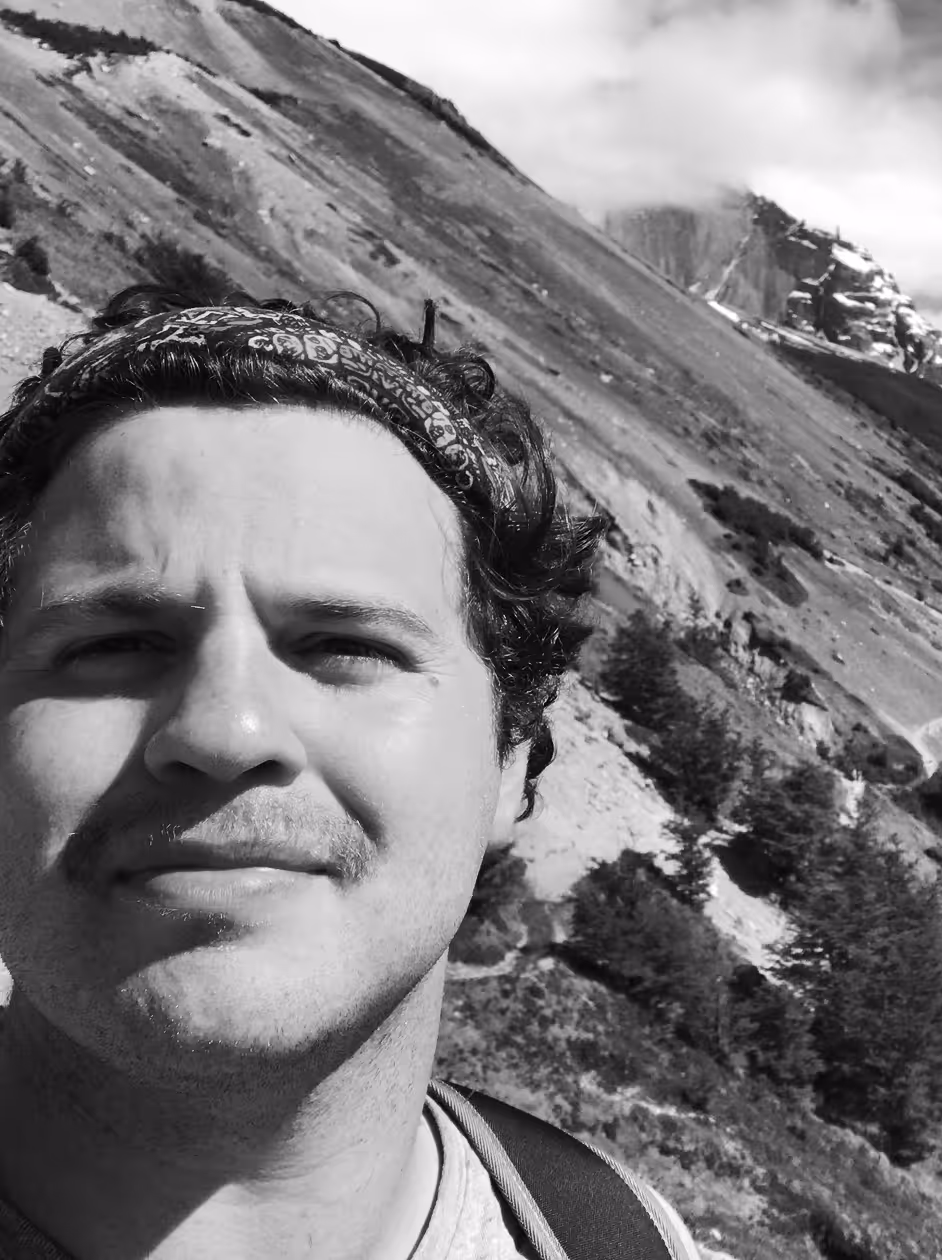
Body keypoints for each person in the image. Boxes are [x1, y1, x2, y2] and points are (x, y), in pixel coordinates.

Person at [0, 289, 700, 1259]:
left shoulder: (623, 1240)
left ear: (511, 758)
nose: (225, 730)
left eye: (346, 646)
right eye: (112, 644)